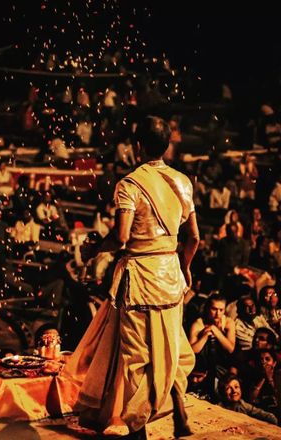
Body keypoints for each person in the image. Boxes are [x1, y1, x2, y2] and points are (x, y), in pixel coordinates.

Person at [64, 116, 199, 439]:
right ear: (166, 146)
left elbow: (122, 238)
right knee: (173, 347)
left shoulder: (129, 184)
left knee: (137, 356)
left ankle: (137, 430)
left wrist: (98, 248)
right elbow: (193, 238)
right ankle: (181, 418)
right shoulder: (183, 181)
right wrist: (186, 267)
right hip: (171, 276)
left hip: (140, 278)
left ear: (137, 147)